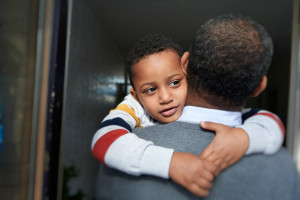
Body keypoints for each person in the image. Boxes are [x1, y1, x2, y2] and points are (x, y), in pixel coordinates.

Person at [95, 14, 300, 200]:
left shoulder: (115, 167)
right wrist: (170, 162)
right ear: (259, 88)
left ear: (185, 65)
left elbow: (267, 119)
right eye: (150, 89)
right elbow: (104, 137)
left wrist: (244, 138)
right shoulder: (284, 166)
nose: (165, 97)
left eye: (174, 83)